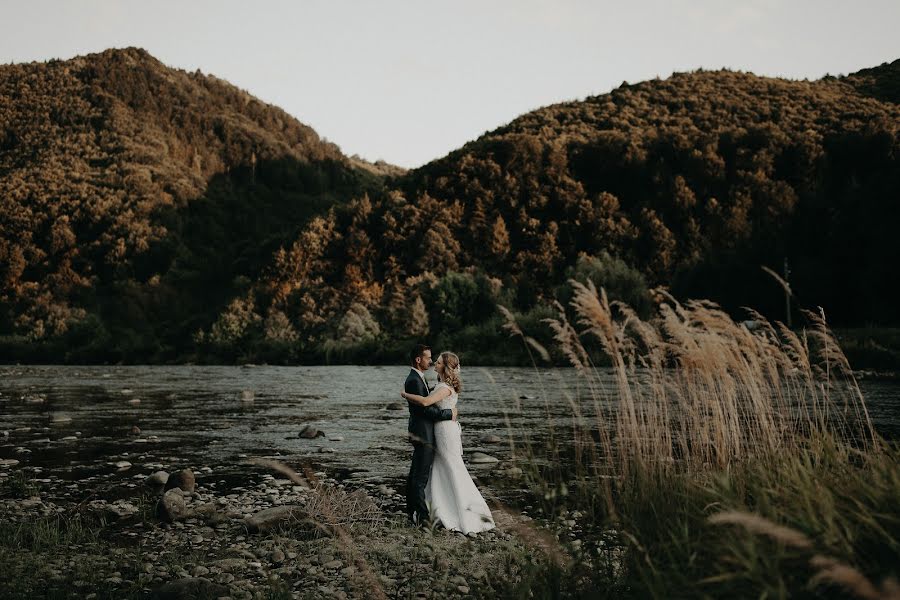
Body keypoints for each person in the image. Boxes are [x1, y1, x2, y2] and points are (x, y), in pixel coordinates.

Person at [402, 351, 495, 535]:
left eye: (437, 362)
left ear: (445, 367)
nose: (434, 364)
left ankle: (462, 513)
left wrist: (406, 395)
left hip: (445, 431)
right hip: (441, 429)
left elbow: (427, 402)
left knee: (451, 467)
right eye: (434, 361)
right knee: (440, 467)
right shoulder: (441, 385)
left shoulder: (445, 388)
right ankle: (437, 508)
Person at [404, 344, 457, 525]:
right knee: (419, 478)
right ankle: (423, 520)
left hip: (426, 433)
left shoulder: (419, 378)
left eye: (433, 358)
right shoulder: (414, 380)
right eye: (428, 357)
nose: (431, 360)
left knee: (415, 476)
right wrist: (449, 414)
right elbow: (424, 410)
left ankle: (413, 514)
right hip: (423, 434)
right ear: (418, 360)